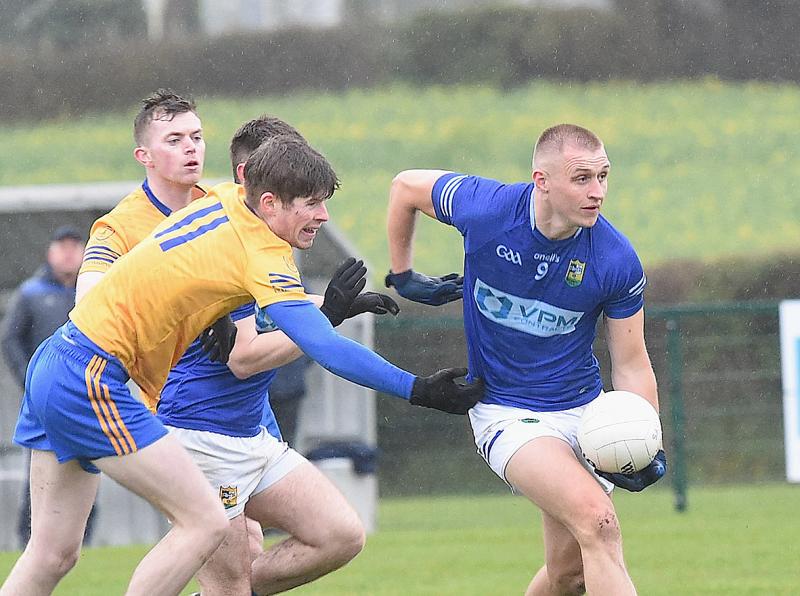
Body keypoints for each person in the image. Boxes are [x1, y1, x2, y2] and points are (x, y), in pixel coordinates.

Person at [2, 134, 482, 596]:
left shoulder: (226, 197)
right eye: (311, 204)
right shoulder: (263, 251)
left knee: (52, 555)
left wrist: (216, 311)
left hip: (57, 361)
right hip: (90, 379)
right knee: (204, 522)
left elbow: (185, 268)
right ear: (269, 202)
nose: (323, 215)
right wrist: (417, 388)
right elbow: (326, 348)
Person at [384, 123, 666, 596]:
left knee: (568, 576)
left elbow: (632, 363)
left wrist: (647, 437)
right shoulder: (488, 210)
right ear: (542, 181)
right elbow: (405, 187)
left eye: (603, 176)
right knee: (598, 522)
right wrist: (403, 273)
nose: (597, 192)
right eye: (582, 178)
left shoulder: (615, 259)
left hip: (587, 417)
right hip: (507, 412)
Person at [158, 116, 402, 596]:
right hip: (199, 430)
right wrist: (327, 318)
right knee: (229, 570)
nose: (317, 209)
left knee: (337, 536)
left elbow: (276, 309)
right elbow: (243, 356)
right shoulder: (225, 234)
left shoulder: (271, 240)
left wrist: (332, 307)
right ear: (252, 179)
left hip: (252, 423)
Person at [0, 226, 96, 549]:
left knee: (89, 468)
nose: (69, 253)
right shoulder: (31, 293)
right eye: (62, 246)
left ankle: (83, 544)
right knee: (39, 475)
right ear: (49, 252)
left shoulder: (91, 291)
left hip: (87, 397)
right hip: (45, 402)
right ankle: (30, 543)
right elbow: (10, 339)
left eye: (75, 246)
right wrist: (30, 379)